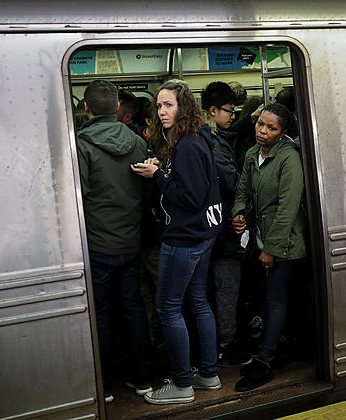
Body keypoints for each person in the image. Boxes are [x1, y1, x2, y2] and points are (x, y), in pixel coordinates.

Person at [132, 79, 223, 405]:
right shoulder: (196, 138)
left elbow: (189, 197)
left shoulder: (185, 145)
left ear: (183, 107)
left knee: (168, 308)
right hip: (205, 233)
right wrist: (163, 171)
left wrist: (156, 177)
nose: (161, 111)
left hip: (185, 237)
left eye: (168, 105)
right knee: (198, 302)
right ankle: (209, 374)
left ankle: (183, 384)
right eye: (158, 106)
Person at [76, 80, 151, 402]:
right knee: (134, 310)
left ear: (86, 109)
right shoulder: (137, 141)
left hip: (97, 245)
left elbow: (80, 197)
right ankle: (144, 379)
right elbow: (145, 190)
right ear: (118, 106)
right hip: (131, 241)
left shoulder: (80, 145)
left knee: (102, 315)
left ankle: (105, 386)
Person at [231, 103, 307, 392]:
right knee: (266, 299)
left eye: (271, 128)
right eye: (260, 124)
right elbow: (242, 189)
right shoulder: (253, 154)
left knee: (275, 300)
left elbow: (288, 207)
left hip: (285, 243)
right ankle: (272, 349)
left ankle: (264, 362)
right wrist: (239, 213)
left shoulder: (289, 158)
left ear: (283, 132)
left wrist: (271, 248)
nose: (263, 131)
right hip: (262, 237)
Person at [201, 81, 252, 366]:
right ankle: (225, 345)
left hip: (211, 227)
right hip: (223, 226)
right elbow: (232, 182)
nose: (232, 117)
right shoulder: (215, 145)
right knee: (226, 285)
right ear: (213, 110)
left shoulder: (209, 136)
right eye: (229, 111)